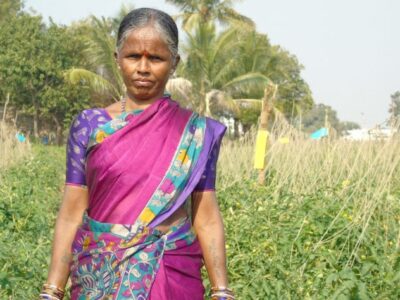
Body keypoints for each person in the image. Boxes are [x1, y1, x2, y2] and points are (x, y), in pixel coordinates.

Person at [40, 7, 234, 300]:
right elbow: (71, 213)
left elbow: (205, 216)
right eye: (133, 57)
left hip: (169, 273)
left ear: (174, 62)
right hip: (100, 276)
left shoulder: (195, 132)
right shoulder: (91, 125)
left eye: (155, 58)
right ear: (118, 59)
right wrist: (52, 290)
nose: (143, 68)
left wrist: (222, 291)